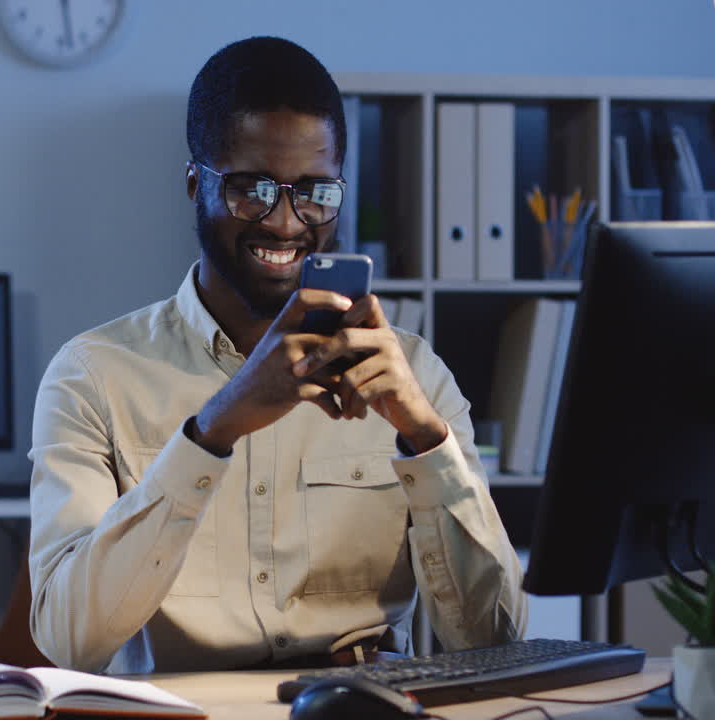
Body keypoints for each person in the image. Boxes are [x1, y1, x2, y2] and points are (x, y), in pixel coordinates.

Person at [28, 36, 526, 674]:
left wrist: (426, 440)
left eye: (315, 191)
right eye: (250, 190)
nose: (287, 222)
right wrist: (214, 431)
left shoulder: (415, 375)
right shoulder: (92, 376)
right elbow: (70, 640)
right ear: (194, 185)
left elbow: (496, 645)